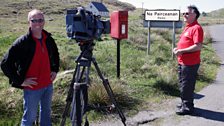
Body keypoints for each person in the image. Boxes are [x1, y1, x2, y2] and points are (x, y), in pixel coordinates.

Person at [0, 9, 59, 125]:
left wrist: (55, 70)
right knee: (29, 119)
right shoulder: (22, 42)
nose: (38, 23)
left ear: (44, 22)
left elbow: (55, 54)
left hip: (48, 84)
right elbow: (5, 64)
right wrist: (20, 81)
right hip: (32, 88)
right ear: (29, 22)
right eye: (34, 20)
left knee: (46, 115)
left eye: (40, 20)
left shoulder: (48, 38)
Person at [173, 5, 203, 115]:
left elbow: (198, 46)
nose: (184, 15)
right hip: (183, 62)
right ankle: (185, 103)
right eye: (183, 13)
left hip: (190, 63)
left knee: (187, 85)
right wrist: (178, 49)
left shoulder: (196, 28)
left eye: (187, 13)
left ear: (195, 15)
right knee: (183, 84)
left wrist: (182, 51)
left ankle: (188, 107)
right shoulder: (188, 27)